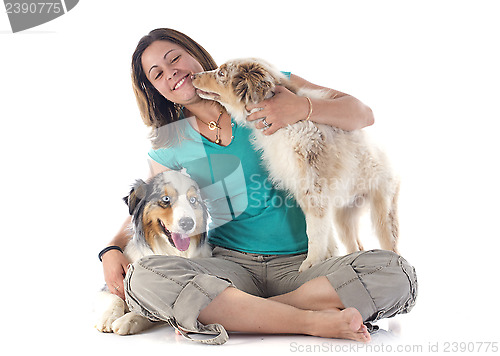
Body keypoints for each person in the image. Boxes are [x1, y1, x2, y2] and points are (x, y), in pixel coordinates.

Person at [100, 28, 417, 345]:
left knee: (397, 274)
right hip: (231, 267)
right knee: (144, 277)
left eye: (175, 59)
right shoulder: (171, 141)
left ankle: (246, 314)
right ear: (154, 89)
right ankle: (310, 320)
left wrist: (301, 107)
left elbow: (363, 114)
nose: (173, 73)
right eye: (159, 74)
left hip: (305, 266)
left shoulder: (259, 86)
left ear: (193, 52)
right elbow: (158, 207)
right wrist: (112, 248)